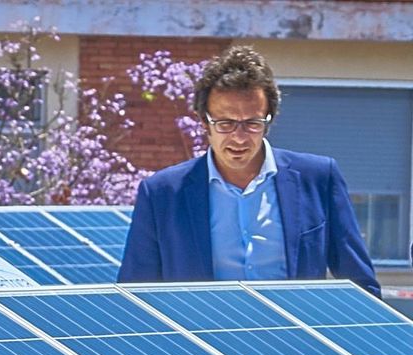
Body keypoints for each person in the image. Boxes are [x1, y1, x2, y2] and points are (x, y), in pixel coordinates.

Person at [118, 44, 379, 297]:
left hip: (293, 339)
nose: (239, 137)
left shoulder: (319, 178)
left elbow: (360, 286)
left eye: (252, 123)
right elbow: (134, 294)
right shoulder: (163, 194)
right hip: (199, 339)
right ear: (204, 123)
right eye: (225, 123)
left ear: (269, 121)